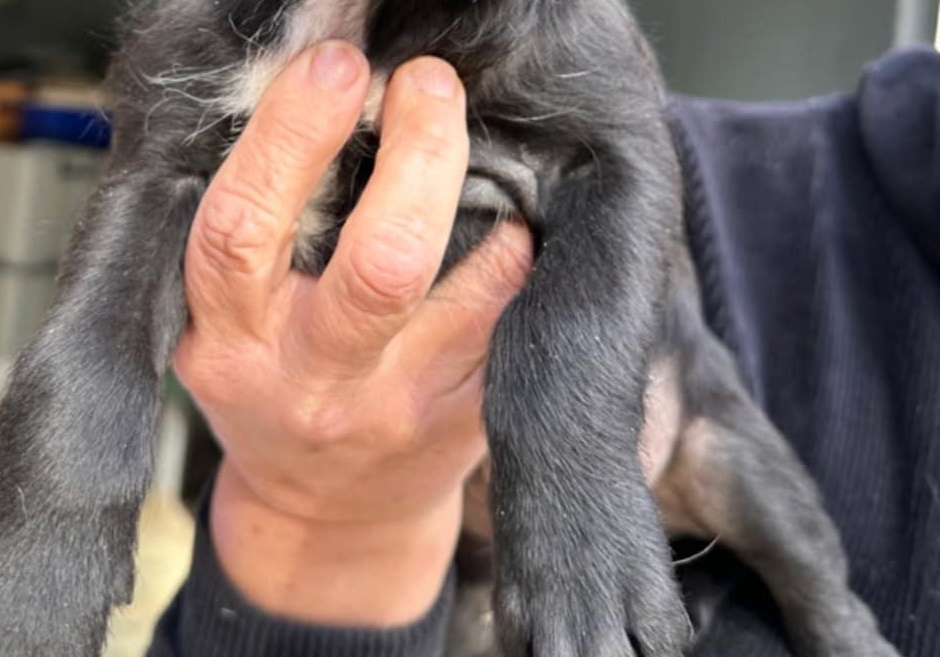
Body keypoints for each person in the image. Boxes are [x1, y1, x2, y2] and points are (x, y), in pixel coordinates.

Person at [147, 43, 940, 657]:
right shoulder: (649, 154)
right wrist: (319, 518)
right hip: (460, 535)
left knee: (814, 588)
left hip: (640, 469)